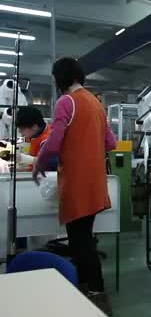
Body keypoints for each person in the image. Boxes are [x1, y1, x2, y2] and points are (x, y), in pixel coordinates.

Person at [33, 57, 116, 314]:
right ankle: (86, 288)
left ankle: (95, 294)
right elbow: (111, 143)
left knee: (80, 244)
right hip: (95, 182)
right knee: (84, 240)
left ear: (59, 79)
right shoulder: (96, 103)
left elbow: (54, 142)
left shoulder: (66, 102)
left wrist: (38, 163)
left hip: (77, 183)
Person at [15, 106, 57, 170]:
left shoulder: (49, 140)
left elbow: (56, 163)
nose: (20, 131)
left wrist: (31, 160)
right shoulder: (34, 134)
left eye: (22, 128)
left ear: (34, 126)